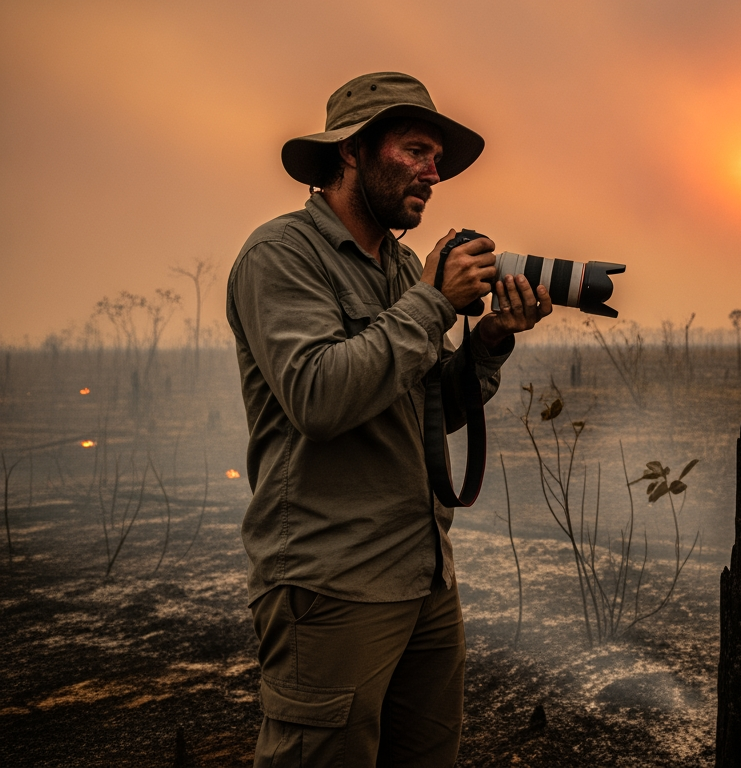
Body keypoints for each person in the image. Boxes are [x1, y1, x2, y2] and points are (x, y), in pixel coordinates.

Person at [226, 72, 550, 767]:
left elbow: (430, 412)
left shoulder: (404, 267)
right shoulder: (280, 256)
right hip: (330, 582)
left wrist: (489, 341)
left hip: (423, 574)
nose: (434, 174)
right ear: (351, 151)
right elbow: (318, 397)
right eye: (415, 151)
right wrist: (434, 303)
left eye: (437, 159)